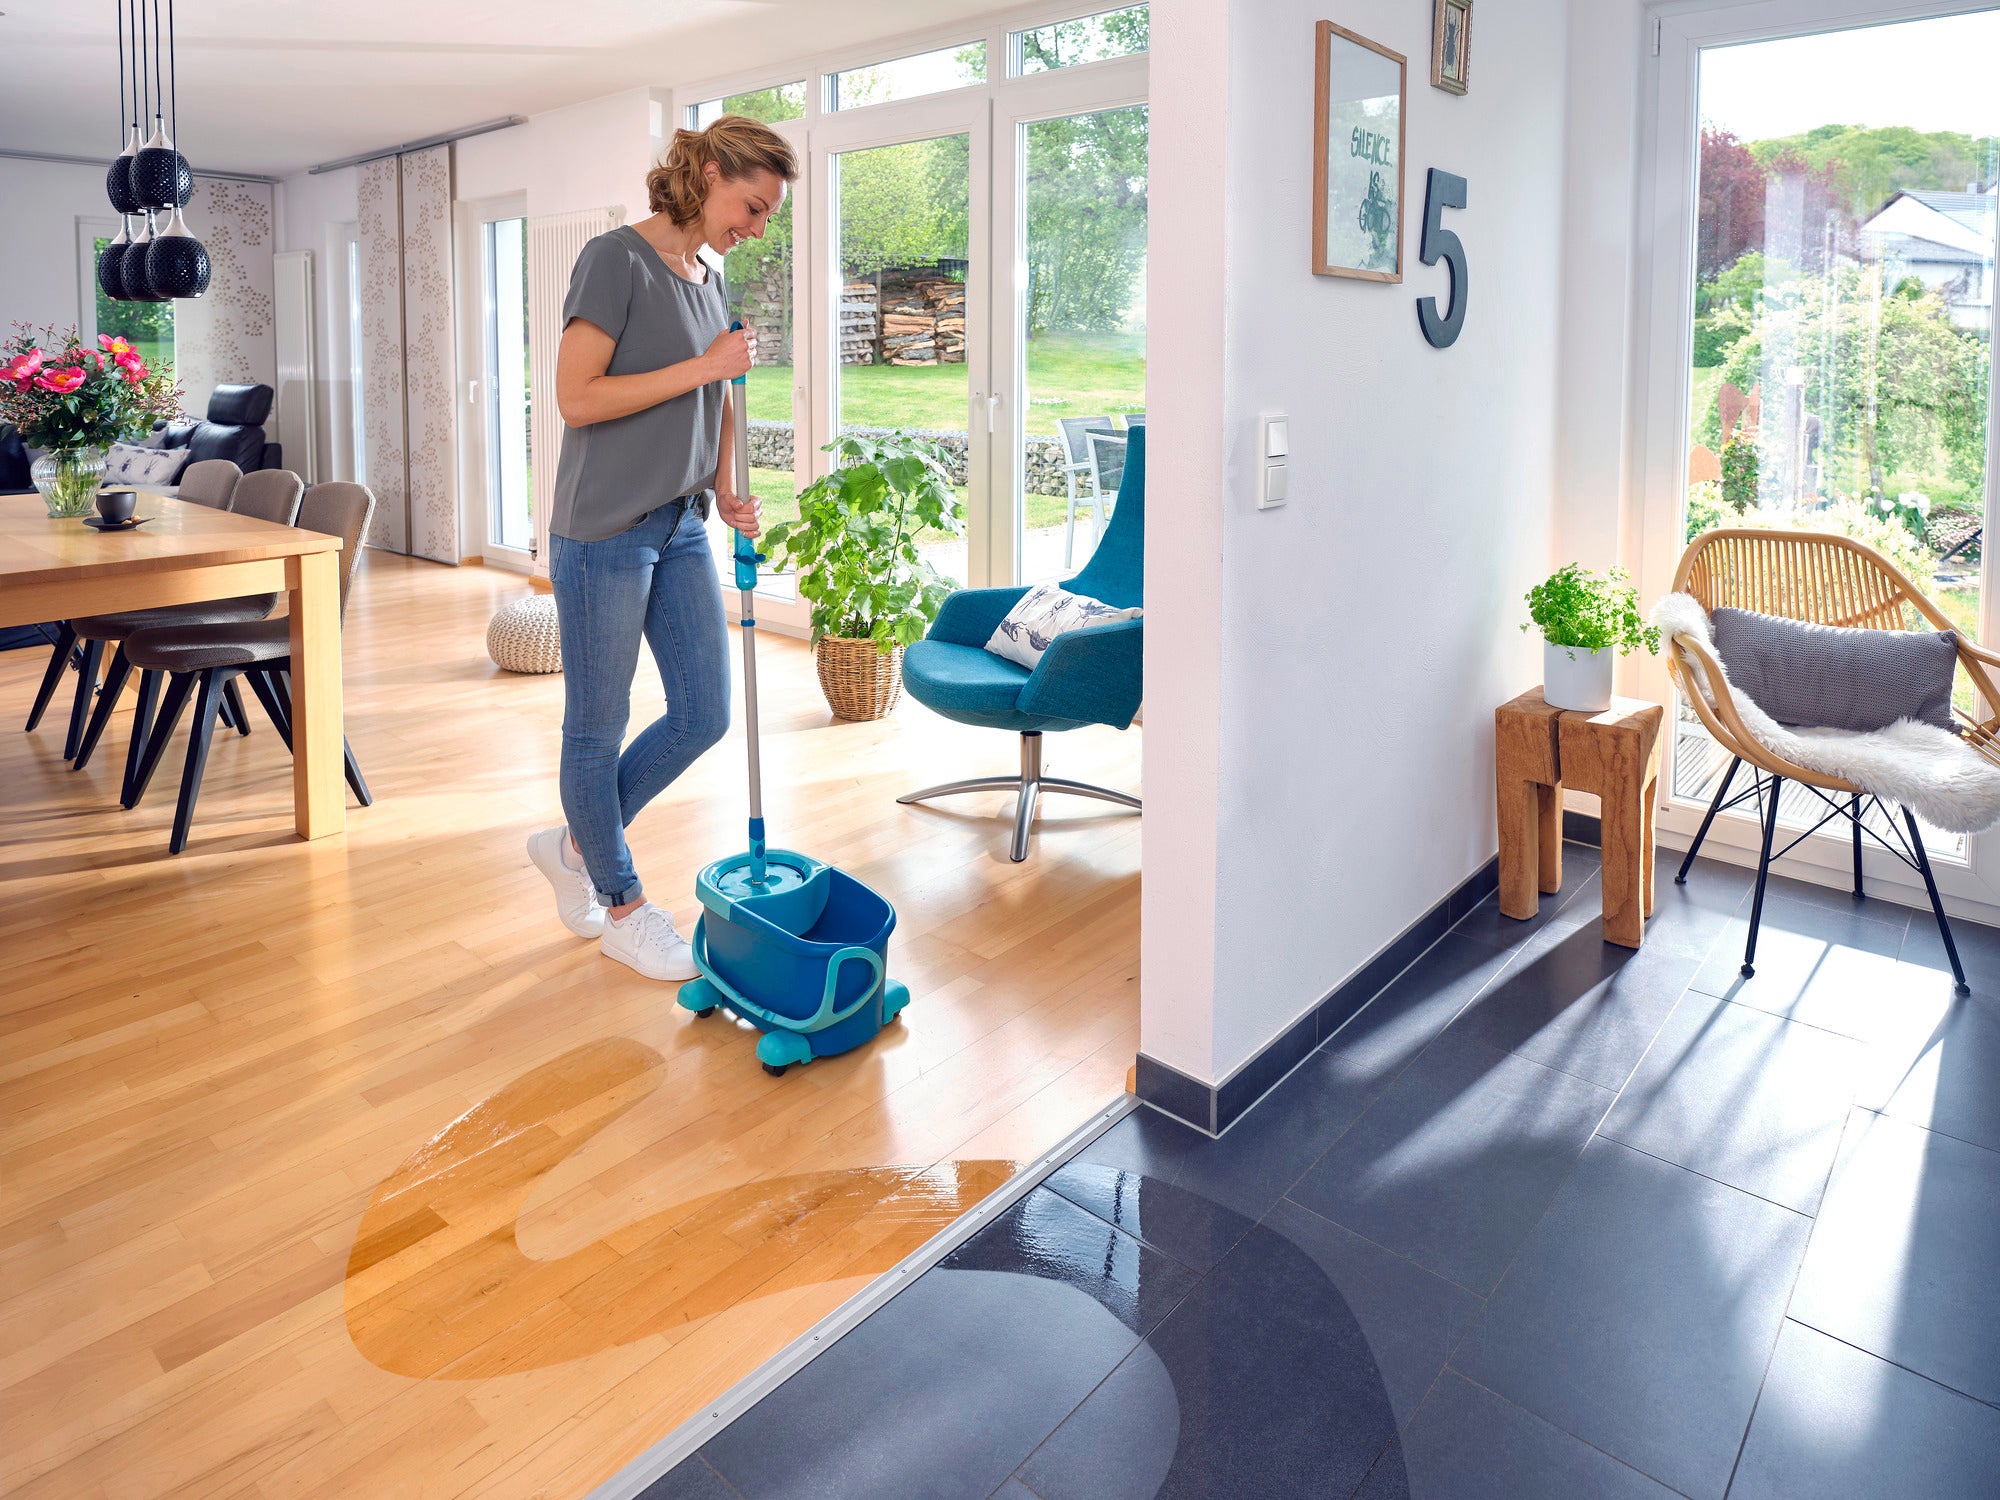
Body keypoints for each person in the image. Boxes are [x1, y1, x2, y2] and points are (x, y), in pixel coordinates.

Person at [527, 116, 797, 981]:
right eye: (750, 207)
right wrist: (706, 366)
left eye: (764, 218)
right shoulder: (618, 260)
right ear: (710, 174)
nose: (754, 228)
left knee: (702, 715)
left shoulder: (706, 278)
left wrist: (723, 486)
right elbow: (577, 398)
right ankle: (623, 903)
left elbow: (718, 401)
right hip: (604, 527)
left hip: (682, 527)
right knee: (596, 728)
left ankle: (574, 840)